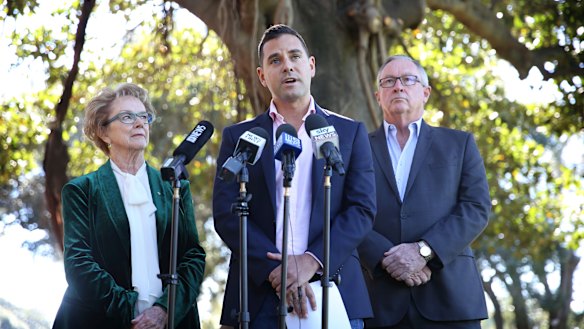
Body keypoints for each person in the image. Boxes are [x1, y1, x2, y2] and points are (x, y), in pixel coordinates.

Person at [213, 24, 376, 329]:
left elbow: (361, 210)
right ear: (262, 76)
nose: (287, 65)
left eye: (294, 56)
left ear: (310, 65)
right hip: (257, 293)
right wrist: (280, 273)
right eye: (275, 60)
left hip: (334, 290)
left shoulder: (349, 132)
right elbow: (226, 214)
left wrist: (310, 261)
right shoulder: (240, 137)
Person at [52, 83, 206, 329]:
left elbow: (193, 257)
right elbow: (78, 263)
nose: (139, 123)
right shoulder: (81, 191)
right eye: (127, 117)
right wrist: (131, 310)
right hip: (98, 321)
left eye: (144, 117)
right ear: (103, 132)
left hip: (171, 323)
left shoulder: (175, 187)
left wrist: (164, 310)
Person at [357, 54, 491, 329]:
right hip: (380, 302)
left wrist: (424, 251)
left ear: (425, 92)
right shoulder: (355, 148)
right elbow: (346, 210)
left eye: (408, 79)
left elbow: (475, 208)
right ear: (378, 96)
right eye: (389, 81)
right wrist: (387, 260)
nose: (398, 87)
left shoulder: (460, 143)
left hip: (450, 299)